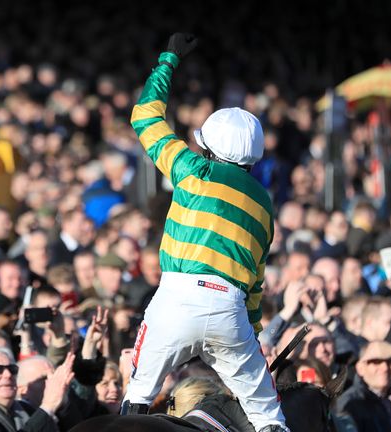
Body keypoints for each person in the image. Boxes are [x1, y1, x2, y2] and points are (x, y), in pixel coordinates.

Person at [120, 33, 286, 432]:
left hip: (177, 298)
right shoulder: (264, 204)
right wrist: (250, 334)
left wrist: (168, 60)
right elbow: (256, 283)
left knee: (139, 395)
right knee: (269, 418)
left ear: (207, 146)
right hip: (231, 309)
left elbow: (144, 116)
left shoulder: (193, 170)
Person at [0, 347, 72, 432]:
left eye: (12, 369)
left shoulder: (26, 409)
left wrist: (61, 401)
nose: (7, 374)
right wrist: (47, 406)